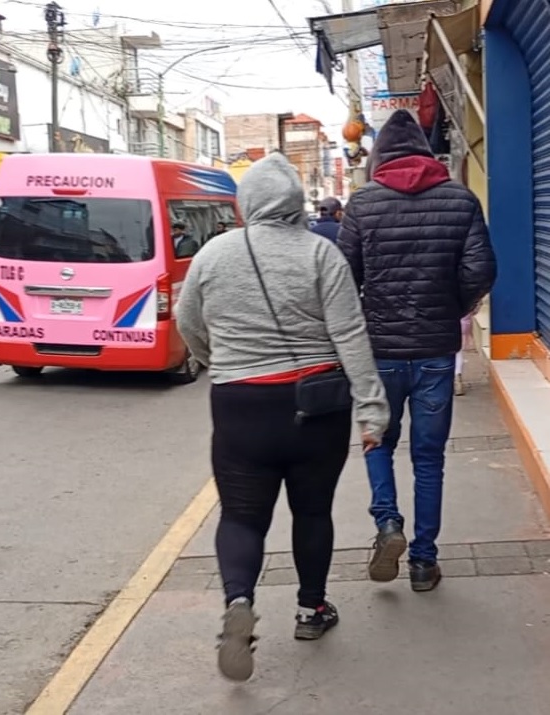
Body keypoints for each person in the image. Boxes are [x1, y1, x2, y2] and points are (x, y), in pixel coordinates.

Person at [176, 152, 389, 682]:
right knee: (312, 512)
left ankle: (239, 601)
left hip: (239, 404)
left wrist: (217, 360)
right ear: (295, 203)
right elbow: (350, 334)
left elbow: (187, 321)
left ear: (246, 203)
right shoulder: (321, 253)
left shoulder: (213, 254)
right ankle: (311, 609)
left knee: (240, 516)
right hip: (317, 407)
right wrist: (372, 409)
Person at [338, 110, 497, 593]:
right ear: (425, 153)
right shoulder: (460, 199)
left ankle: (388, 522)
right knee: (429, 459)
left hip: (380, 350)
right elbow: (481, 270)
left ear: (380, 157)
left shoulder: (363, 204)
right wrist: (453, 307)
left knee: (377, 440)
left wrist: (368, 314)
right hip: (435, 352)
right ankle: (424, 563)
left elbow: (343, 276)